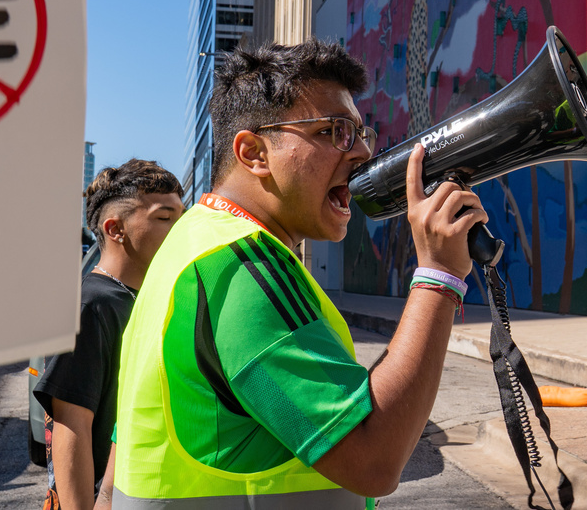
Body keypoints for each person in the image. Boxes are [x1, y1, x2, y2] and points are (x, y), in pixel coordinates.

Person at [104, 38, 489, 508]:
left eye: (362, 134)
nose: (364, 154)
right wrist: (438, 275)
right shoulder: (242, 265)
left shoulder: (192, 240)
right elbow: (373, 459)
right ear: (254, 153)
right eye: (335, 131)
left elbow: (125, 442)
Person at [34, 159, 184, 510]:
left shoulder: (149, 296)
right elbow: (71, 428)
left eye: (182, 216)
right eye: (165, 218)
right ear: (115, 229)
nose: (179, 230)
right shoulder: (91, 305)